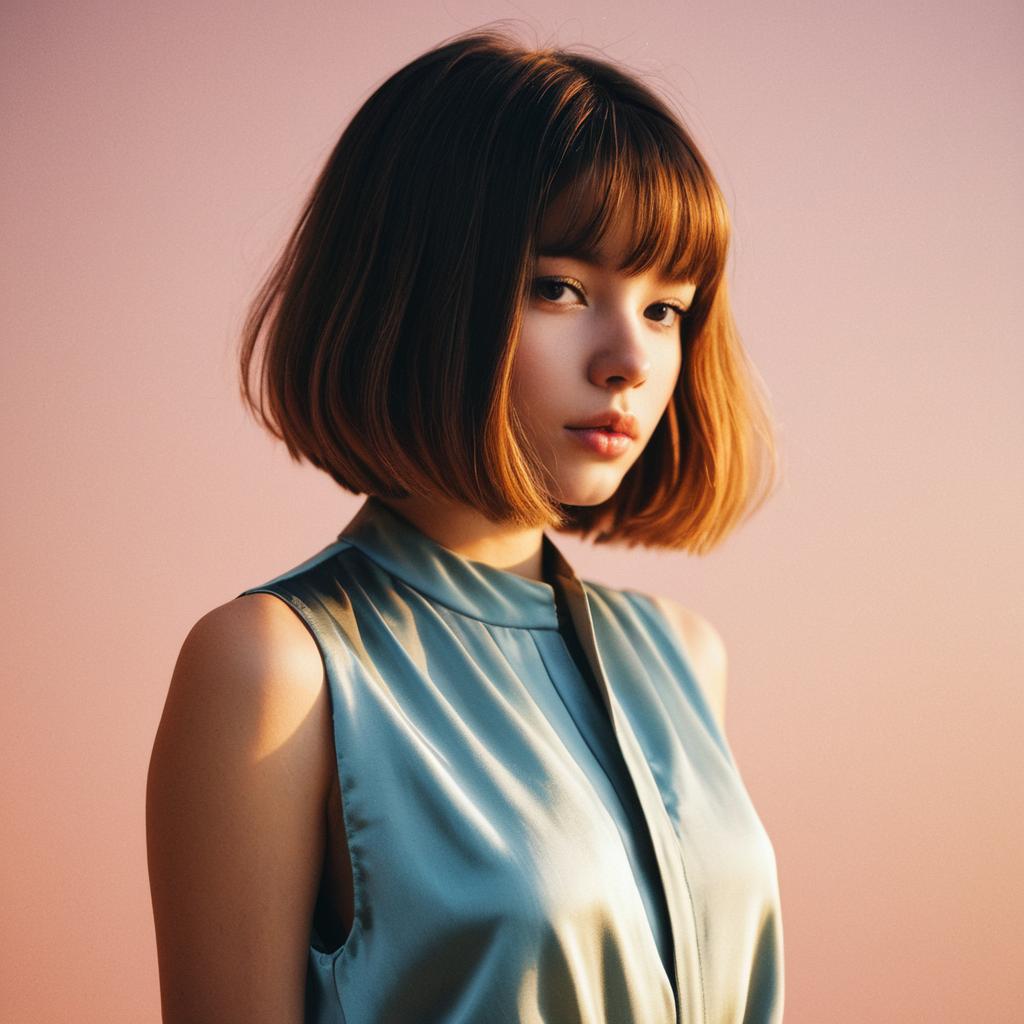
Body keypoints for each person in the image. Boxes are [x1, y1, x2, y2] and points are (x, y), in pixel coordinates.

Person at [146, 26, 784, 1024]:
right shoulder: (276, 669)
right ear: (422, 286)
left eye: (666, 308)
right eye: (560, 288)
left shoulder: (682, 655)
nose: (627, 357)